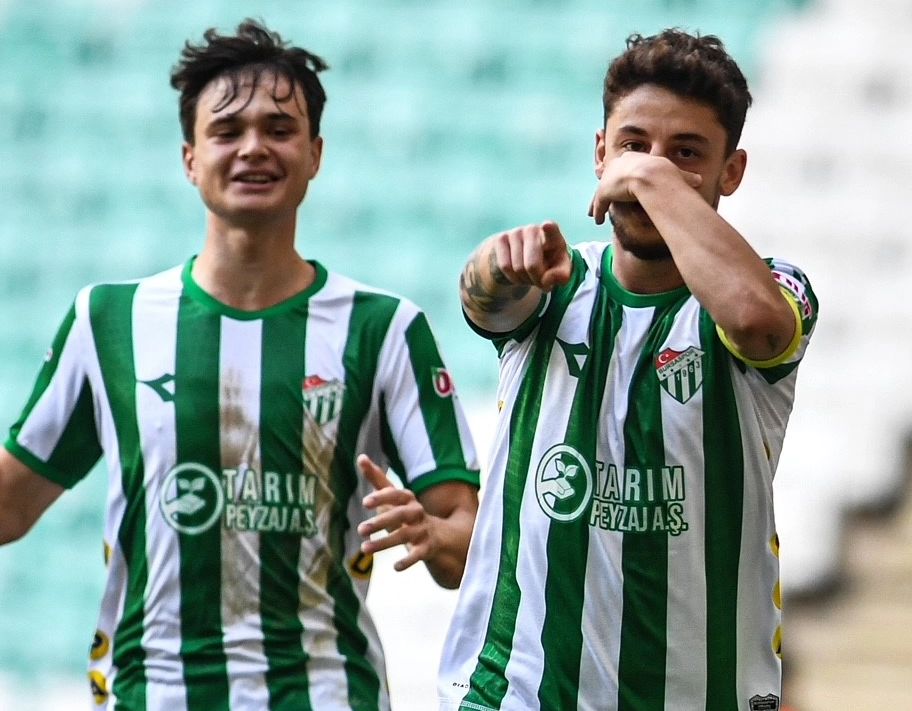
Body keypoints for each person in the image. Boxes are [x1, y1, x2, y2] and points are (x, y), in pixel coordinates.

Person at [0, 19, 480, 711]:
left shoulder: (384, 329)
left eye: (279, 129)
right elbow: (11, 504)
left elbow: (465, 539)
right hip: (154, 696)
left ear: (315, 154)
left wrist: (433, 534)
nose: (254, 147)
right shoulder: (108, 322)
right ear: (190, 158)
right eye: (227, 131)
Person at [438, 28, 818, 711]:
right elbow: (482, 297)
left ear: (731, 172)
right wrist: (496, 262)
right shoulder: (553, 284)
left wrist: (647, 176)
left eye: (685, 154)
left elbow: (755, 320)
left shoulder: (775, 288)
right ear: (599, 153)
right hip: (518, 693)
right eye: (633, 144)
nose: (653, 169)